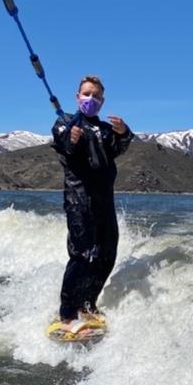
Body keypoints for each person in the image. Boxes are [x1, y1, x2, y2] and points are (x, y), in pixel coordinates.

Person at [50, 75, 134, 336]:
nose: (91, 99)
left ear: (102, 101)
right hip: (79, 199)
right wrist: (72, 138)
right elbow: (63, 145)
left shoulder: (106, 130)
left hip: (104, 200)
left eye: (96, 96)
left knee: (107, 253)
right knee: (82, 254)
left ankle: (87, 305)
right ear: (78, 97)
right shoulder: (65, 123)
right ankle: (67, 315)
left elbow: (119, 148)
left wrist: (123, 132)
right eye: (87, 94)